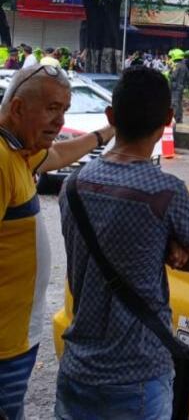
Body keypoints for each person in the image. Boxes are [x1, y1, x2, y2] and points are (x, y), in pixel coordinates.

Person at [56, 67, 189, 419]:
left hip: (77, 368)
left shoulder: (74, 186)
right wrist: (172, 244)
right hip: (140, 377)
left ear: (111, 117)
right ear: (168, 119)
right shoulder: (166, 192)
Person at [0, 66, 116, 420]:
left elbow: (59, 155)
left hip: (15, 343)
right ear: (18, 108)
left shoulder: (18, 149)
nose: (60, 120)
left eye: (64, 110)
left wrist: (108, 131)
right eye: (52, 109)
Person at [167, 48, 189, 126]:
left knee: (174, 103)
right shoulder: (184, 65)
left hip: (175, 87)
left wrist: (169, 71)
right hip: (181, 86)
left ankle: (174, 118)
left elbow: (173, 76)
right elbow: (187, 76)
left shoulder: (176, 65)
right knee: (179, 103)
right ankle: (179, 118)